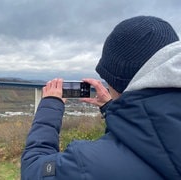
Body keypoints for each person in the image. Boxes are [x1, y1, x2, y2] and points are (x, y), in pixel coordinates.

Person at [21, 15, 181, 179]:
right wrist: (112, 108)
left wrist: (50, 105)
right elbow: (154, 138)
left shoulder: (86, 164)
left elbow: (33, 169)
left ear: (116, 82)